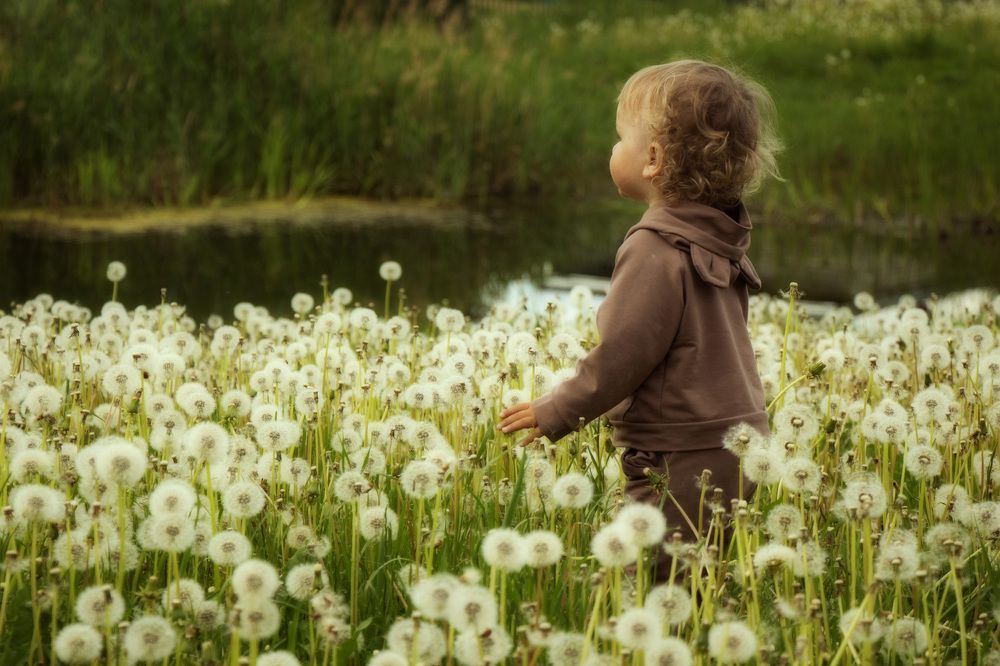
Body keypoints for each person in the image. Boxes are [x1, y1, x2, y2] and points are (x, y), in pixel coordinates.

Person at [497, 59, 781, 581]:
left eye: (618, 139)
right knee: (698, 583)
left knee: (650, 587)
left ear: (652, 159)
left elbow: (623, 357)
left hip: (682, 449)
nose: (612, 151)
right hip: (738, 440)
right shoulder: (721, 238)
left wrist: (558, 409)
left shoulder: (654, 247)